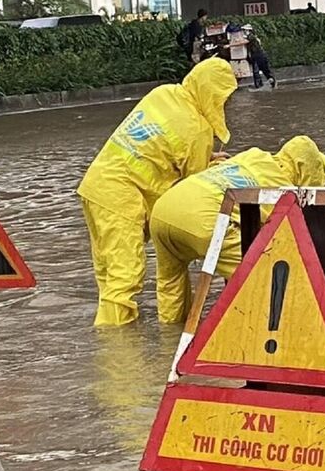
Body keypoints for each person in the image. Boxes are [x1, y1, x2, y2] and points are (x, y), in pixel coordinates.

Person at [77, 58, 239, 326]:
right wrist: (216, 164)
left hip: (96, 185)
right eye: (224, 98)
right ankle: (119, 354)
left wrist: (205, 156)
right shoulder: (198, 130)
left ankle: (112, 332)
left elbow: (159, 145)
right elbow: (195, 188)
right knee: (124, 281)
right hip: (122, 198)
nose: (225, 105)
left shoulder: (164, 93)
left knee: (108, 276)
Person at [148, 136, 325, 323]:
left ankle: (169, 342)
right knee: (265, 281)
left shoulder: (253, 156)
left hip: (163, 211)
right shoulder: (284, 188)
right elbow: (282, 233)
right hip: (205, 220)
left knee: (171, 289)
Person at [243, 24, 275, 89]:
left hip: (260, 55)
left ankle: (272, 82)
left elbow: (244, 42)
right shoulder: (250, 37)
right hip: (255, 56)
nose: (243, 31)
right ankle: (258, 85)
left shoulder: (251, 36)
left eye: (244, 30)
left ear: (248, 30)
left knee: (265, 70)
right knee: (256, 71)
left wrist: (230, 45)